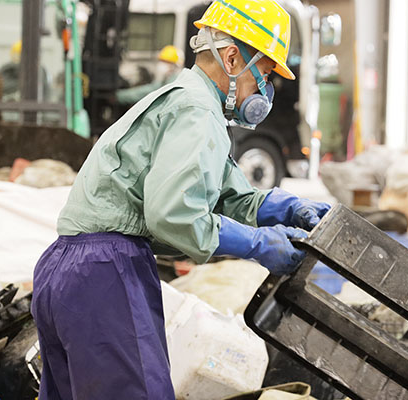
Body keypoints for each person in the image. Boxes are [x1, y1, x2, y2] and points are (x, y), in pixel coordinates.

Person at [31, 1, 330, 399]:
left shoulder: (184, 100)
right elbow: (173, 214)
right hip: (105, 273)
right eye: (265, 73)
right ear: (231, 57)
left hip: (65, 270)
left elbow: (223, 192)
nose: (265, 89)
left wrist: (277, 207)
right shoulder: (196, 111)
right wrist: (258, 245)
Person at [116, 45, 184, 105]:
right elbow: (148, 89)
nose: (161, 64)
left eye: (166, 62)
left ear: (175, 66)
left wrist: (118, 96)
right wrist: (120, 96)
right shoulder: (166, 81)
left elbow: (146, 92)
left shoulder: (174, 84)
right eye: (161, 61)